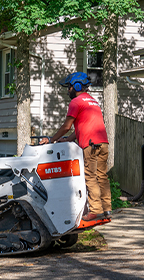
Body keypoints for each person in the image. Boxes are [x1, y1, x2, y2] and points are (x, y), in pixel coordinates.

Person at [40, 72, 111, 221]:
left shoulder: (76, 102)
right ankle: (107, 209)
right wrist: (67, 140)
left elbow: (66, 126)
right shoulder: (93, 101)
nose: (68, 90)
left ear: (76, 86)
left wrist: (52, 139)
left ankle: (95, 210)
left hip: (90, 145)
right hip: (103, 143)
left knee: (90, 177)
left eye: (69, 87)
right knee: (102, 176)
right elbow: (81, 128)